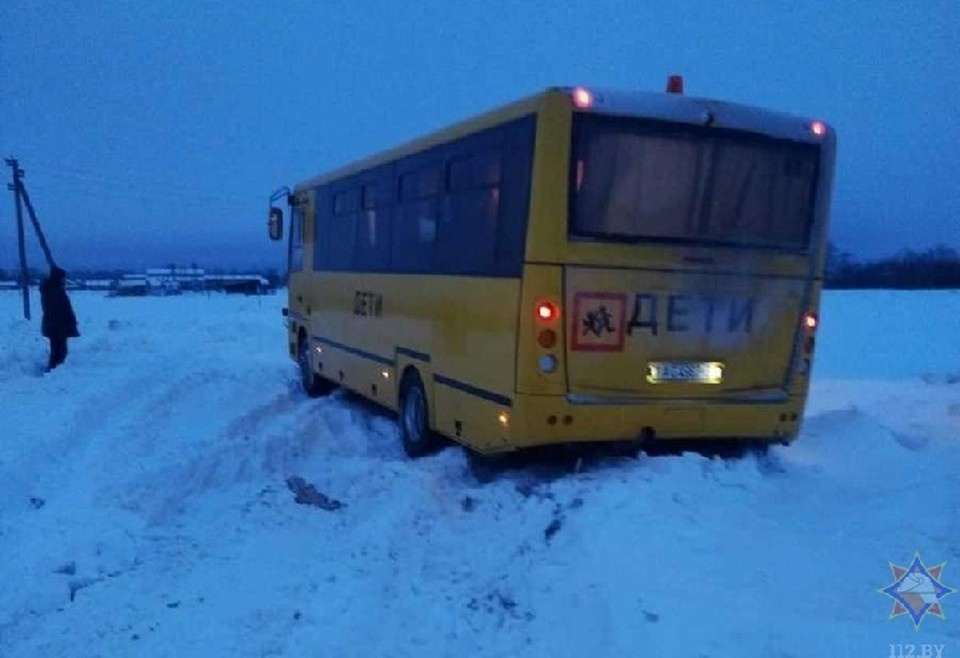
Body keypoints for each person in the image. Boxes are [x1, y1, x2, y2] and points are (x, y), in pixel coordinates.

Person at [40, 266, 79, 370]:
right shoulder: (56, 289)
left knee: (56, 347)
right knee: (60, 349)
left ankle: (54, 368)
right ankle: (56, 370)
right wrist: (70, 320)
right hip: (59, 324)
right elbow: (62, 308)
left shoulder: (49, 288)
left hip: (53, 323)